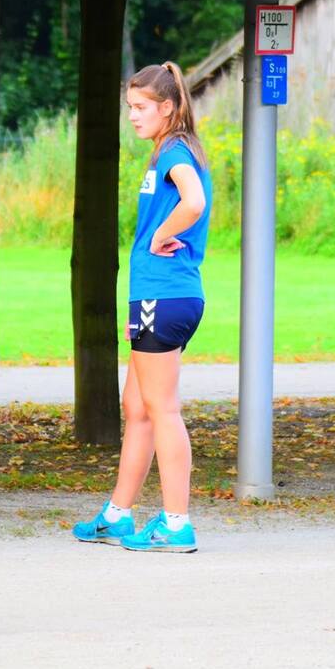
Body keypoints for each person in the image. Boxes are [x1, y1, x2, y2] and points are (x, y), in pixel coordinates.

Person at [72, 61, 212, 554]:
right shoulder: (166, 151)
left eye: (140, 108)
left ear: (168, 108)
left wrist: (161, 234)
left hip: (164, 295)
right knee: (137, 407)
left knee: (162, 409)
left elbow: (193, 201)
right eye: (129, 107)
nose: (131, 116)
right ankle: (117, 515)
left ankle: (177, 523)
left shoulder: (175, 150)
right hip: (159, 295)